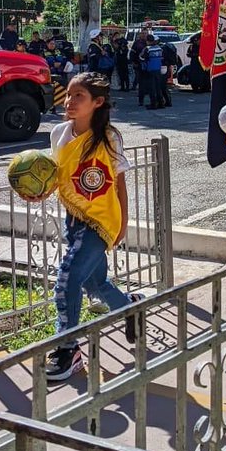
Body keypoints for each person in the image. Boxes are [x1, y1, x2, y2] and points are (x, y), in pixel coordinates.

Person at [43, 73, 143, 380]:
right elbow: (55, 177)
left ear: (97, 103)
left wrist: (123, 222)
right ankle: (130, 308)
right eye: (69, 95)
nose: (70, 102)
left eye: (79, 97)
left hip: (101, 222)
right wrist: (37, 190)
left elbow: (120, 182)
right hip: (73, 217)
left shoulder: (108, 137)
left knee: (67, 279)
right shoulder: (58, 133)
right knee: (95, 284)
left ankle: (67, 348)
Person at [139, 33, 166, 109]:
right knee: (158, 87)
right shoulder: (159, 48)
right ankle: (161, 103)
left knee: (151, 88)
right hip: (158, 69)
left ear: (147, 41)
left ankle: (153, 104)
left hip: (150, 70)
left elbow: (141, 58)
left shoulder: (147, 49)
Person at [131, 29, 149, 106]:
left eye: (146, 33)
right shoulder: (137, 43)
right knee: (141, 82)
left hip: (148, 66)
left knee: (149, 83)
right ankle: (141, 100)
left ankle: (151, 99)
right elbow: (132, 53)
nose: (144, 35)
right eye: (143, 33)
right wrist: (133, 62)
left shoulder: (150, 42)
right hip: (139, 65)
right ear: (140, 34)